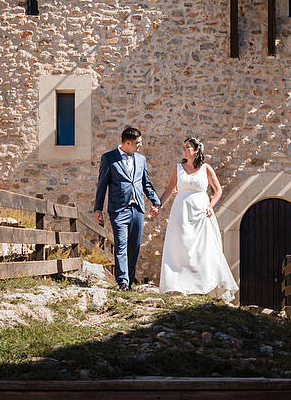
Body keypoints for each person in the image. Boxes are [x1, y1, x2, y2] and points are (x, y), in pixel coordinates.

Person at [158, 136, 238, 299]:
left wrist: (210, 206)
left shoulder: (205, 168)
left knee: (203, 248)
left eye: (188, 147)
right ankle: (179, 284)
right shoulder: (178, 168)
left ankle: (206, 284)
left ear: (196, 150)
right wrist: (157, 205)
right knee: (180, 246)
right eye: (183, 146)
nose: (184, 149)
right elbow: (169, 189)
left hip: (201, 212)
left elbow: (218, 190)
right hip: (181, 212)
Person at [94, 126, 161, 289]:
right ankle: (123, 282)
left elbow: (146, 183)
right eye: (138, 143)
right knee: (121, 245)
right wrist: (98, 209)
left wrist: (155, 201)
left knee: (134, 247)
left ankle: (129, 282)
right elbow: (102, 185)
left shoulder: (141, 159)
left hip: (137, 209)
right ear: (128, 143)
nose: (140, 145)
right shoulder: (109, 158)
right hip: (118, 210)